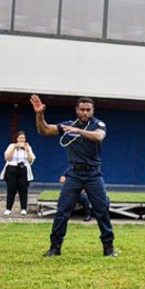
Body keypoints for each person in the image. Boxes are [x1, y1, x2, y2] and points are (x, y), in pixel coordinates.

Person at [30, 95, 117, 257]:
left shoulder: (98, 124)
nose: (85, 113)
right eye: (82, 109)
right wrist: (39, 113)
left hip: (93, 173)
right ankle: (55, 247)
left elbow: (99, 137)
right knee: (62, 210)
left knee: (101, 210)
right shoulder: (68, 125)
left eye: (88, 110)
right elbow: (44, 130)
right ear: (76, 110)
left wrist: (78, 131)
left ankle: (109, 248)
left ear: (92, 111)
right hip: (74, 174)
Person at [1, 130, 35, 216]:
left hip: (23, 169)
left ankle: (23, 208)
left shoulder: (28, 147)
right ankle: (8, 208)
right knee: (11, 189)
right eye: (20, 138)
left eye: (23, 138)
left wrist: (27, 150)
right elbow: (8, 158)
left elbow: (31, 160)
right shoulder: (11, 146)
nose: (22, 140)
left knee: (23, 189)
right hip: (12, 168)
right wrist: (14, 147)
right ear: (16, 139)